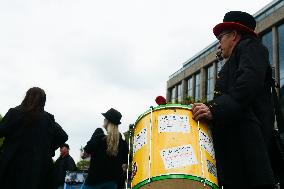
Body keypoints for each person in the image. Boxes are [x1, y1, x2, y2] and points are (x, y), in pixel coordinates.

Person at [192, 11, 279, 189]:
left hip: (248, 150)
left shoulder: (251, 47)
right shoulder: (236, 57)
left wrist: (213, 109)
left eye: (221, 37)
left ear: (233, 35)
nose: (219, 44)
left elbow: (247, 85)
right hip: (235, 153)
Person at [0, 87, 68, 189]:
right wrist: (49, 148)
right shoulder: (48, 119)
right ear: (43, 101)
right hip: (38, 169)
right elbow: (63, 136)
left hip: (12, 166)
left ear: (26, 97)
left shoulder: (14, 113)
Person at [80, 108, 129, 189]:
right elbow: (126, 160)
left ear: (107, 121)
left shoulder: (99, 135)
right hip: (113, 183)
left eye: (105, 118)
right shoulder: (122, 141)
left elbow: (84, 154)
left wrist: (83, 152)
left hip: (94, 182)